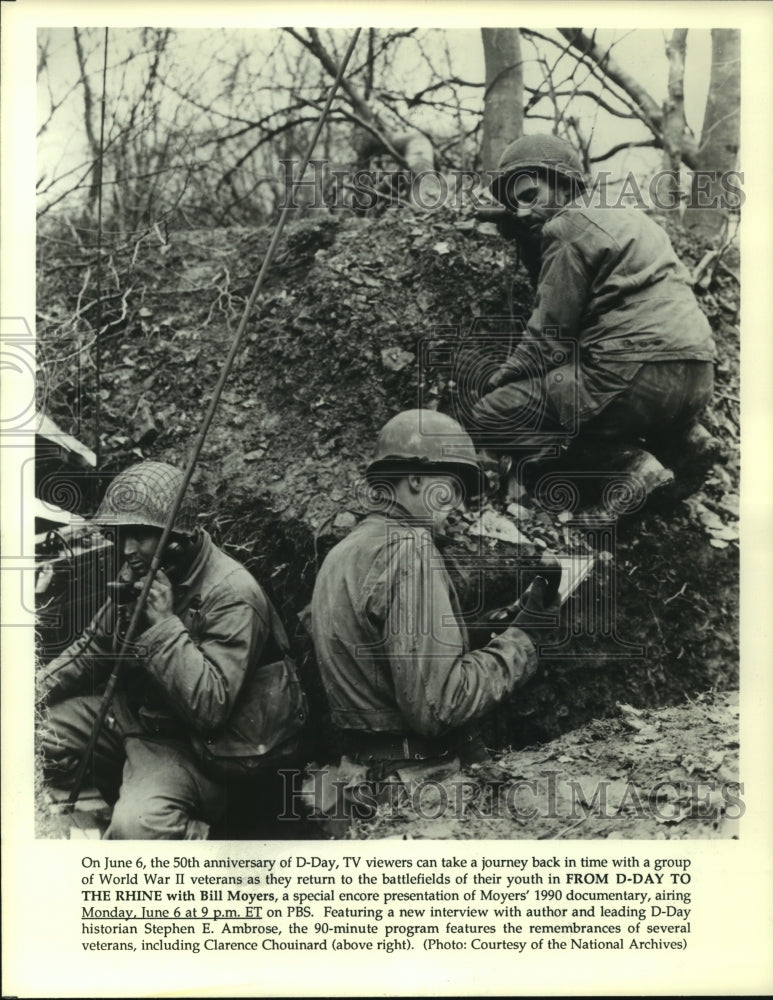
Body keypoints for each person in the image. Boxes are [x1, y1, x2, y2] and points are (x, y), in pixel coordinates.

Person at [307, 409, 558, 821]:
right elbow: (440, 707)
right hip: (412, 789)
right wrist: (524, 638)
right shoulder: (409, 549)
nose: (458, 503)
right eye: (453, 485)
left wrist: (479, 634)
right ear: (416, 478)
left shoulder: (345, 552)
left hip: (359, 779)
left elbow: (378, 657)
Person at [37, 461, 306, 840]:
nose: (127, 549)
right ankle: (111, 801)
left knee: (138, 827)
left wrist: (163, 625)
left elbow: (210, 707)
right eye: (121, 535)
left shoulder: (232, 594)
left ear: (178, 536)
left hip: (198, 747)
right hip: (140, 718)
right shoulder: (148, 572)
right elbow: (90, 650)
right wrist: (29, 694)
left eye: (140, 536)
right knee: (35, 733)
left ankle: (195, 833)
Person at [470, 133, 717, 496]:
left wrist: (501, 379)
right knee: (591, 392)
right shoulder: (627, 217)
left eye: (529, 196)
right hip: (698, 377)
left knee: (493, 414)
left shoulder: (565, 226)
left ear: (563, 184)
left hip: (635, 378)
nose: (522, 212)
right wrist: (528, 238)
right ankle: (685, 440)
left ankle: (625, 467)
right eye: (514, 205)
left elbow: (549, 339)